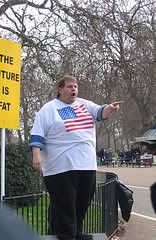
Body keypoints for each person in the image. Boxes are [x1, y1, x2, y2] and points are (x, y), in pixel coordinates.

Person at [29, 75, 122, 240]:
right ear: (60, 89)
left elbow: (100, 113)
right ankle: (67, 235)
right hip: (60, 167)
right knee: (66, 207)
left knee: (82, 202)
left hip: (86, 165)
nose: (74, 89)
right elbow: (37, 134)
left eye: (76, 87)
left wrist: (110, 108)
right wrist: (36, 155)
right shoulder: (48, 109)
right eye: (70, 86)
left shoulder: (85, 105)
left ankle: (76, 232)